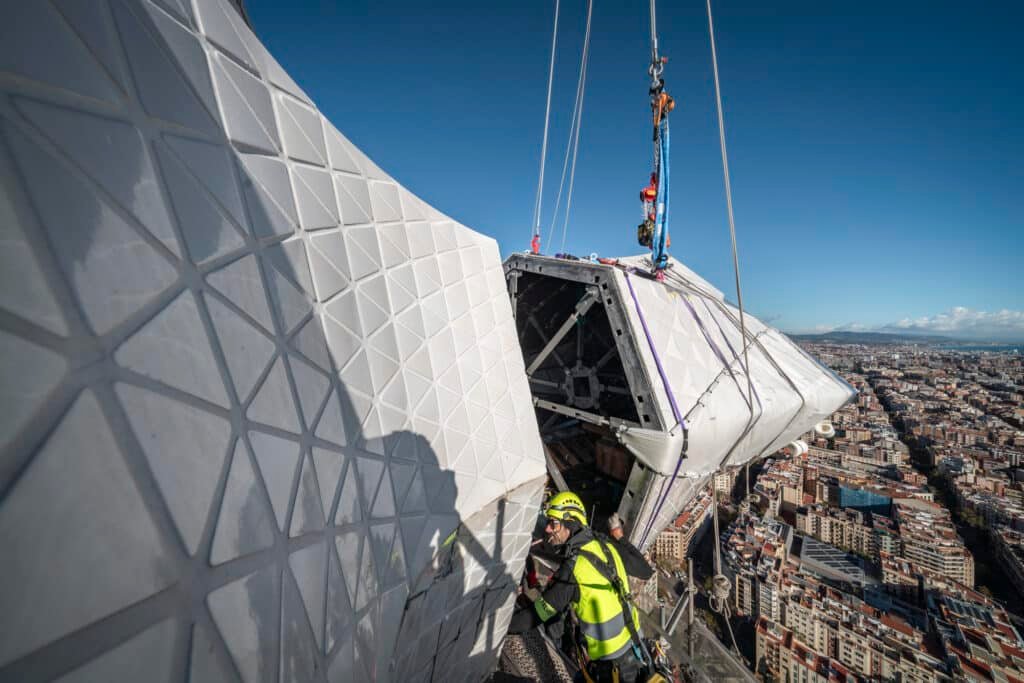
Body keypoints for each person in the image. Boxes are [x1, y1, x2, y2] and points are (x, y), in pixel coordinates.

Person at [509, 491, 655, 683]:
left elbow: (535, 615)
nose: (547, 530)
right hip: (640, 653)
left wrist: (500, 625)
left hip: (612, 670)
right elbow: (645, 570)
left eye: (554, 524)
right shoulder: (608, 547)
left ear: (570, 523)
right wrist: (619, 537)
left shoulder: (573, 570)